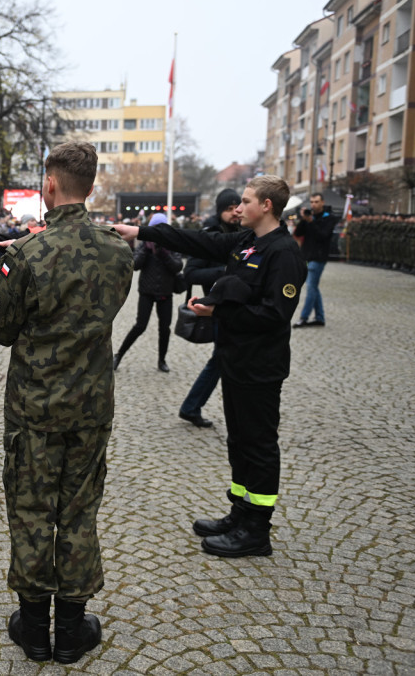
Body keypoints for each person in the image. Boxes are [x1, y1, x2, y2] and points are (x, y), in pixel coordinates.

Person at [0, 141, 133, 664]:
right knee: (79, 512)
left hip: (35, 410)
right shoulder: (117, 249)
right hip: (91, 407)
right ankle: (70, 629)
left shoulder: (26, 254)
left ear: (49, 184)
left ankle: (34, 626)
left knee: (30, 512)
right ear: (91, 186)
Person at [113, 175, 307, 559]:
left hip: (260, 365)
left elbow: (274, 313)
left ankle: (257, 530)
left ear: (266, 206)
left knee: (259, 445)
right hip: (234, 358)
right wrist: (140, 230)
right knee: (238, 440)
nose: (239, 208)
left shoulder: (283, 252)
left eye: (246, 201)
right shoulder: (246, 241)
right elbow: (197, 241)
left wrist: (221, 309)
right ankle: (240, 513)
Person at [177, 189, 242, 428]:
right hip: (217, 308)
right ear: (220, 211)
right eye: (229, 209)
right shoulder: (210, 233)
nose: (234, 212)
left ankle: (191, 406)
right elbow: (190, 272)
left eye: (237, 207)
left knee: (223, 359)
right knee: (221, 359)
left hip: (237, 306)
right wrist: (223, 273)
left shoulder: (243, 232)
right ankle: (191, 406)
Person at [112, 212, 183, 373]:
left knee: (164, 328)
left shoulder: (172, 244)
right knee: (140, 326)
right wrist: (147, 249)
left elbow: (178, 266)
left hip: (166, 291)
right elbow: (135, 264)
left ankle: (162, 360)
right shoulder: (144, 244)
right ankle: (118, 355)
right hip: (147, 291)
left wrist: (164, 253)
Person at [292, 192, 336, 328]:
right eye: (311, 202)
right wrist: (303, 220)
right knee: (314, 287)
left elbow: (323, 236)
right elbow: (298, 233)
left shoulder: (329, 218)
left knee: (311, 287)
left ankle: (304, 317)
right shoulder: (309, 217)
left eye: (316, 202)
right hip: (307, 256)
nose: (313, 204)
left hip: (319, 257)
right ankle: (320, 318)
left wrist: (312, 222)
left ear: (322, 202)